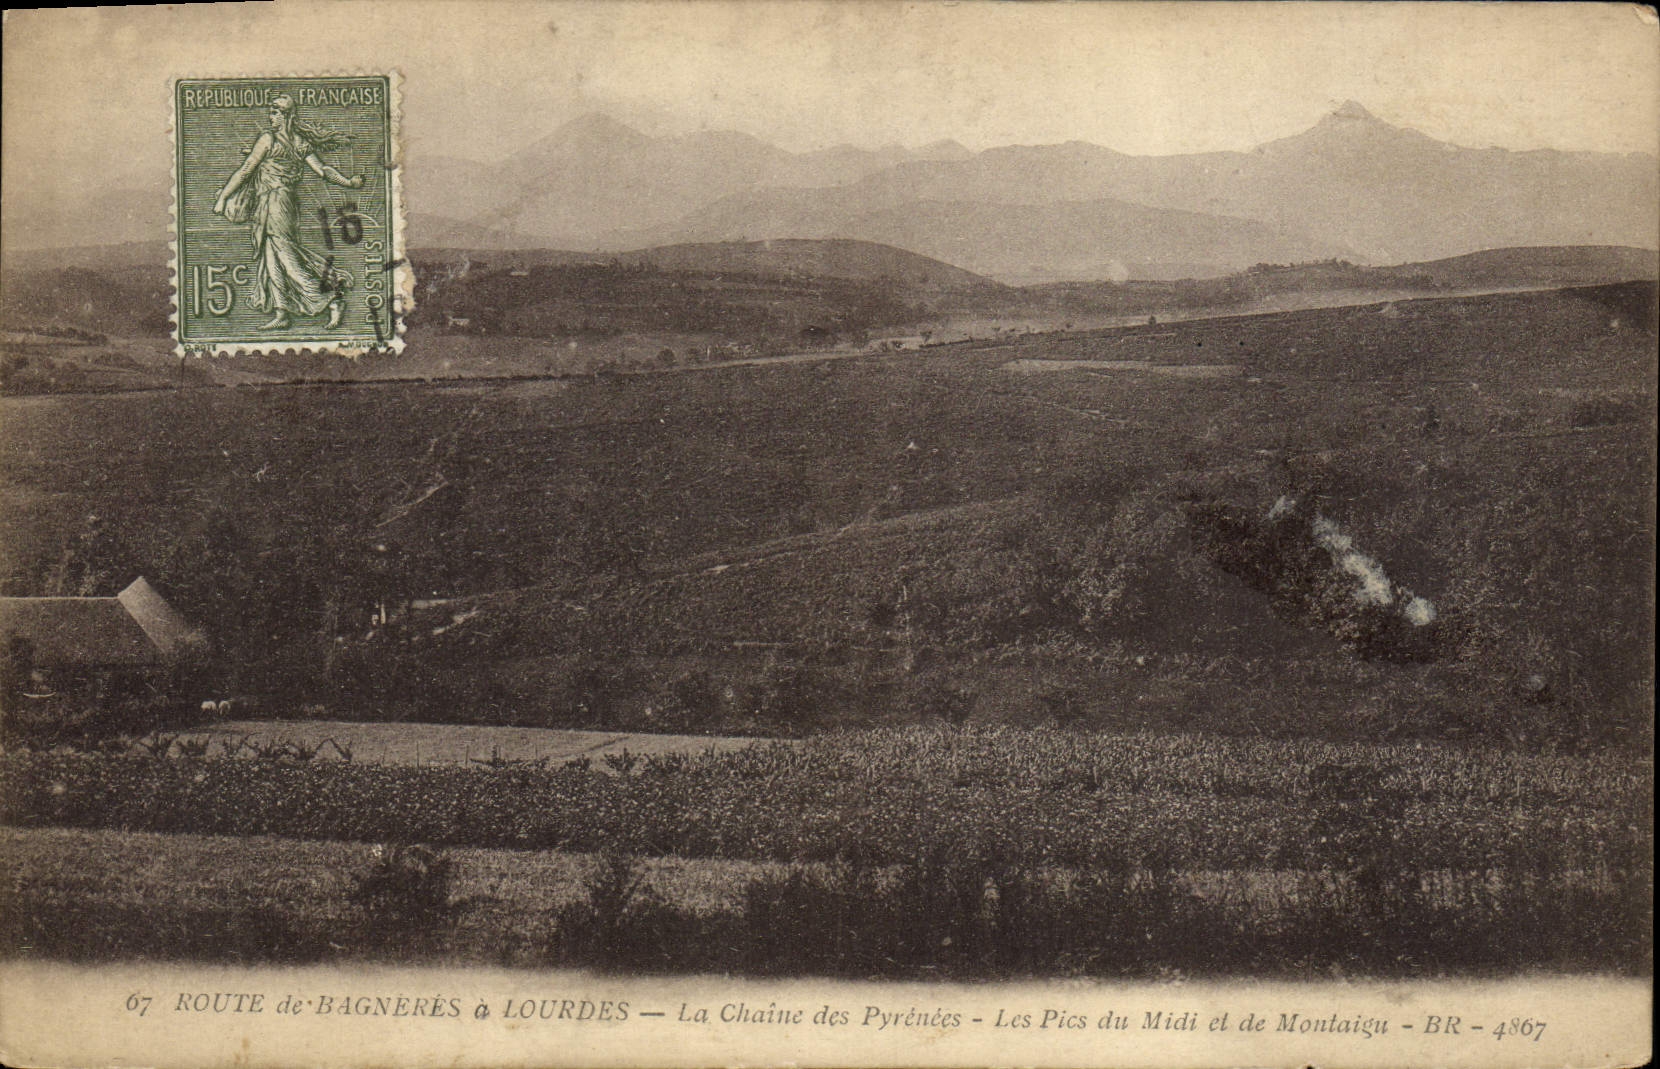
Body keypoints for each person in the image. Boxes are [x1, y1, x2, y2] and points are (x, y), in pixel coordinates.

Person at [213, 95, 365, 330]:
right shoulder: (298, 142)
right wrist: (348, 182)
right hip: (281, 205)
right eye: (270, 112)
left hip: (277, 204)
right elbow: (323, 170)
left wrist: (223, 197)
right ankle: (282, 312)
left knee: (287, 258)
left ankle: (332, 300)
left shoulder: (268, 139)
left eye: (274, 112)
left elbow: (245, 172)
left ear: (286, 115)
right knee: (271, 258)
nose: (270, 117)